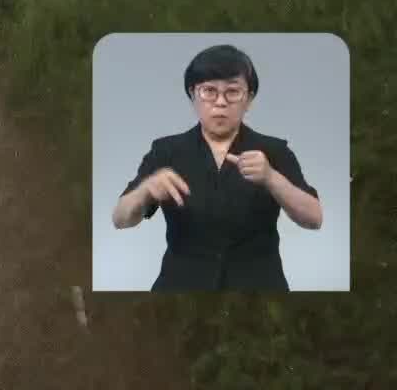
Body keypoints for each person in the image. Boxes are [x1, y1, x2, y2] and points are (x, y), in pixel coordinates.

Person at [110, 44, 324, 290]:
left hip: (259, 286)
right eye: (209, 91)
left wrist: (271, 177)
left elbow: (314, 219)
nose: (220, 102)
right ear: (192, 94)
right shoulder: (166, 151)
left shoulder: (273, 150)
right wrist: (145, 190)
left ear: (249, 98)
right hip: (180, 285)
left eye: (233, 92)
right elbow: (120, 219)